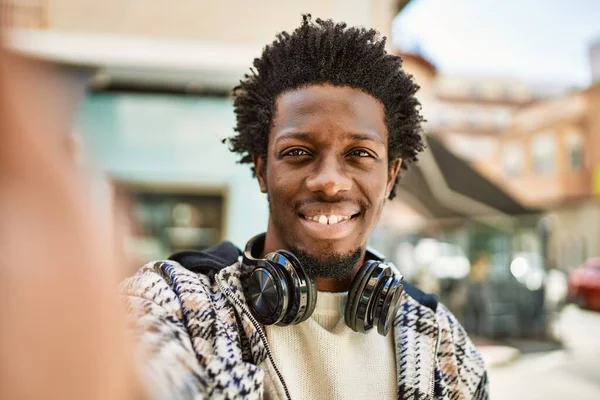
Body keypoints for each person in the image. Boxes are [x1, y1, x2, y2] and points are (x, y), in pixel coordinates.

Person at [122, 15, 489, 399]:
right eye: (298, 152)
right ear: (262, 169)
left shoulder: (442, 342)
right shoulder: (172, 304)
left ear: (391, 176)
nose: (329, 181)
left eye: (360, 154)